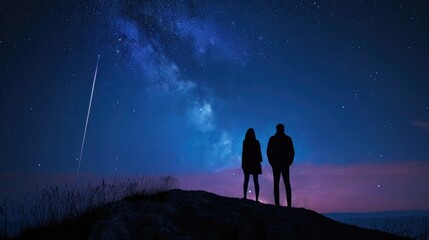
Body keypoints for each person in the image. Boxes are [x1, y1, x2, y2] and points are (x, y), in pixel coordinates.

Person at [267, 123, 295, 207]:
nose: (280, 130)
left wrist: (290, 161)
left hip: (283, 163)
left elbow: (292, 151)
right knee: (278, 183)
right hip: (277, 163)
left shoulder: (287, 139)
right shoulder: (274, 139)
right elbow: (268, 151)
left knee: (284, 183)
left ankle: (287, 204)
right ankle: (278, 204)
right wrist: (271, 162)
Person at [241, 128, 263, 202]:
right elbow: (244, 153)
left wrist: (243, 164)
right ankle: (255, 198)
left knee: (248, 180)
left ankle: (246, 197)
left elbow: (243, 154)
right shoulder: (255, 142)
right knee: (254, 181)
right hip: (253, 163)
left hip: (250, 163)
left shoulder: (246, 142)